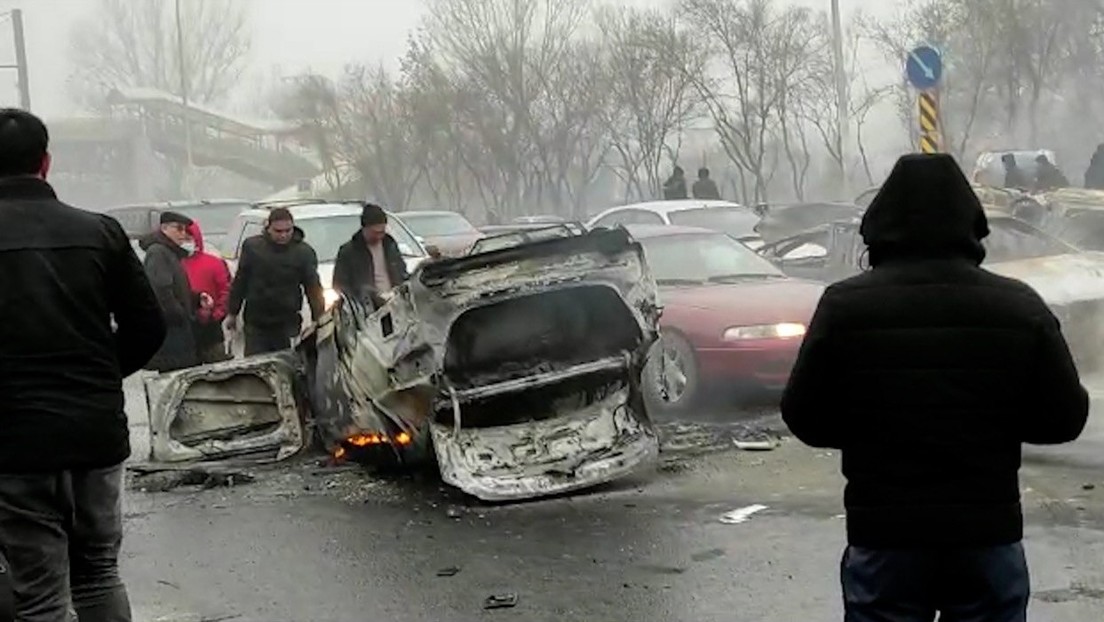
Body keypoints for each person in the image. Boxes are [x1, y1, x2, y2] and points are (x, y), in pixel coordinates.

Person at [781, 153, 1088, 622]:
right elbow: (1065, 419)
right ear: (972, 223)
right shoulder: (1017, 306)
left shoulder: (845, 307)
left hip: (885, 536)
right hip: (986, 534)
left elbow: (803, 414)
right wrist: (996, 422)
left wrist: (869, 431)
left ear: (880, 224)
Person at [0, 108, 165, 621]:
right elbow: (148, 328)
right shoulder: (100, 232)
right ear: (46, 163)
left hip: (15, 442)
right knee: (96, 574)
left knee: (41, 594)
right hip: (94, 435)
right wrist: (94, 378)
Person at [226, 207, 325, 356]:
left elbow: (313, 288)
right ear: (268, 228)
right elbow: (241, 280)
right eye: (278, 231)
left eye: (288, 230)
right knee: (255, 366)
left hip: (287, 322)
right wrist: (233, 312)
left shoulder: (303, 252)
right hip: (257, 320)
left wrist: (319, 319)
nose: (284, 235)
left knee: (287, 365)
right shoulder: (253, 247)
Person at [141, 211, 208, 372]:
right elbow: (161, 290)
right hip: (170, 330)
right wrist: (179, 314)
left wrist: (196, 299)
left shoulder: (170, 253)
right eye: (179, 229)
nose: (183, 234)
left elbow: (178, 290)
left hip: (177, 328)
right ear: (164, 228)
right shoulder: (158, 252)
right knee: (174, 375)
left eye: (185, 230)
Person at [333, 203, 411, 305]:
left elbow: (401, 271)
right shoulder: (349, 252)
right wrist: (365, 295)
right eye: (375, 232)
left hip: (395, 302)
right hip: (367, 307)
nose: (379, 236)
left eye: (382, 232)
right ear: (365, 228)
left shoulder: (390, 245)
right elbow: (340, 285)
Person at [182, 219, 232, 364]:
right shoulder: (174, 264)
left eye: (189, 237)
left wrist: (217, 314)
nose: (186, 241)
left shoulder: (214, 263)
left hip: (211, 327)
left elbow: (226, 291)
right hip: (185, 328)